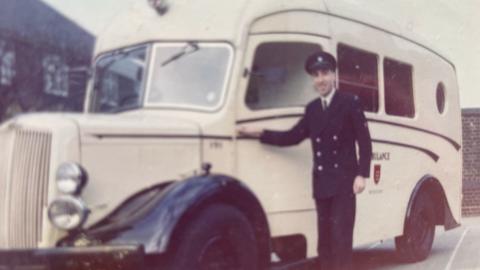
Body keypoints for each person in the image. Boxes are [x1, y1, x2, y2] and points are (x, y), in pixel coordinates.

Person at [237, 51, 372, 270]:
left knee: (341, 241)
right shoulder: (312, 109)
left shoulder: (350, 102)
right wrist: (259, 132)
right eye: (316, 75)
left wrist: (362, 174)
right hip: (321, 185)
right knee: (324, 243)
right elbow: (291, 137)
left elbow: (364, 142)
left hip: (344, 184)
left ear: (333, 74)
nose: (321, 79)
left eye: (325, 73)